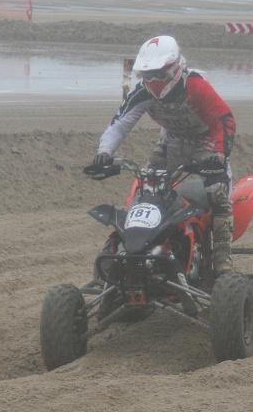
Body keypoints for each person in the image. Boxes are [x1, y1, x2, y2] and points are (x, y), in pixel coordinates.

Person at [90, 35, 238, 275]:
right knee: (148, 188)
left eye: (160, 74)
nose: (154, 82)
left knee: (217, 192)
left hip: (207, 143)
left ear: (176, 69)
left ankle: (222, 258)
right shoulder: (143, 92)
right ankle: (147, 249)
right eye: (148, 76)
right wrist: (104, 152)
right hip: (171, 141)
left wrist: (220, 153)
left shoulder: (196, 86)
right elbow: (120, 123)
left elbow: (224, 120)